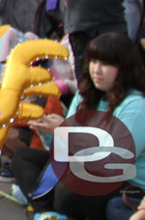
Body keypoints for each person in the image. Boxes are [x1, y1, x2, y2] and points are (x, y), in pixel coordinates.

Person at [12, 32, 145, 219]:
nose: (96, 70)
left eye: (105, 64)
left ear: (124, 68)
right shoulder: (86, 94)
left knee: (67, 192)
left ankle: (45, 206)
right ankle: (47, 213)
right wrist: (48, 131)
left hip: (123, 182)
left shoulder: (136, 105)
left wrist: (67, 132)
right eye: (93, 61)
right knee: (24, 158)